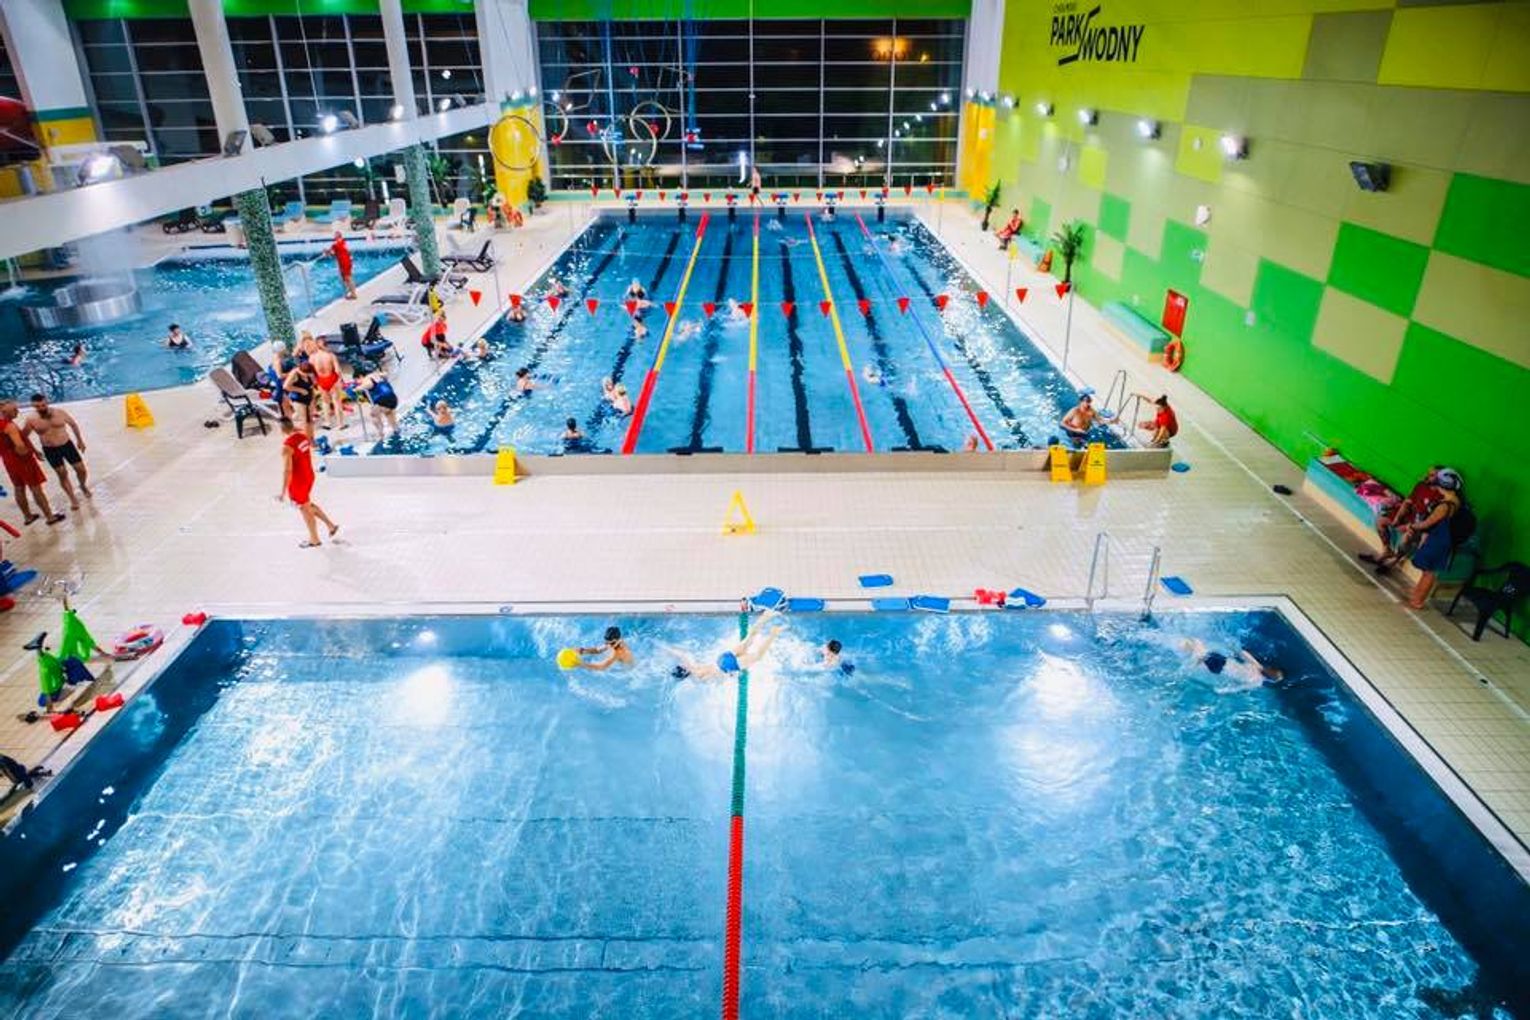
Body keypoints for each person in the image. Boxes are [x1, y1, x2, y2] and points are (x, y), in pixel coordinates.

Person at [1360, 466, 1444, 575]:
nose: (1427, 476)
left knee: (1407, 536)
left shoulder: (1441, 497)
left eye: (1432, 475)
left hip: (1419, 525)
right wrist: (1397, 518)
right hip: (1409, 517)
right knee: (1380, 520)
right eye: (1428, 473)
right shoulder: (1421, 486)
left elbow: (1428, 522)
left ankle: (1394, 560)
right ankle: (1386, 551)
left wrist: (1411, 526)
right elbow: (1407, 503)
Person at [1404, 468, 1463, 610]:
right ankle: (1416, 596)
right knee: (1428, 571)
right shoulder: (1455, 500)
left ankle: (1418, 601)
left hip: (1438, 540)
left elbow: (1427, 523)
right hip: (1443, 539)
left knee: (1429, 572)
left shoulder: (1444, 506)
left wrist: (1412, 526)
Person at [669, 610, 785, 681]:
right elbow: (682, 654)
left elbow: (718, 676)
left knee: (758, 656)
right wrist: (669, 650)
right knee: (749, 638)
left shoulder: (698, 676)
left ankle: (774, 633)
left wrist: (731, 676)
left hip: (727, 666)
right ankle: (766, 615)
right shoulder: (692, 665)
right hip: (722, 658)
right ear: (683, 668)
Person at [278, 416, 339, 549]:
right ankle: (330, 525)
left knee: (304, 509)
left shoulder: (287, 446)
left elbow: (287, 470)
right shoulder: (303, 436)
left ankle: (314, 539)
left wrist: (282, 492)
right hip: (309, 475)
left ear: (281, 430)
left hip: (298, 481)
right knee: (307, 504)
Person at [0, 400, 63, 525]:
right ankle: (50, 517)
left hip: (8, 460)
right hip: (22, 461)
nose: (17, 412)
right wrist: (27, 454)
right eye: (14, 410)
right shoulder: (9, 426)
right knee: (35, 487)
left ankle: (27, 516)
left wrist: (34, 450)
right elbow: (19, 445)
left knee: (19, 487)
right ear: (4, 411)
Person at [24, 394, 90, 510]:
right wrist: (34, 451)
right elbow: (24, 436)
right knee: (62, 473)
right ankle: (72, 498)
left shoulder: (59, 412)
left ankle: (82, 485)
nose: (41, 408)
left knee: (81, 469)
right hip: (50, 449)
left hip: (66, 445)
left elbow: (73, 425)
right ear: (33, 406)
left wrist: (80, 440)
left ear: (47, 402)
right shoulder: (31, 419)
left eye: (43, 405)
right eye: (37, 406)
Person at [1182, 638, 1283, 685]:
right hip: (1220, 670)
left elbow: (1243, 653)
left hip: (1223, 662)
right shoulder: (1257, 681)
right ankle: (1188, 653)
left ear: (1270, 671)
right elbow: (1239, 687)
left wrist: (1234, 648)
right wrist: (1224, 690)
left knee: (1198, 646)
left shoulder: (1257, 668)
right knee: (1199, 654)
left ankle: (1183, 645)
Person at [309, 337, 344, 430]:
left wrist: (315, 383)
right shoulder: (330, 355)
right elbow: (337, 370)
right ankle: (340, 423)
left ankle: (328, 422)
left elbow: (311, 373)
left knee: (325, 402)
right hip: (332, 378)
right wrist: (340, 380)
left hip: (321, 380)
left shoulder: (312, 357)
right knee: (337, 402)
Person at [350, 368, 398, 435]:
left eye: (356, 380)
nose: (357, 383)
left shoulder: (366, 379)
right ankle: (396, 429)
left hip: (383, 399)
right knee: (388, 413)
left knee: (373, 414)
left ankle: (381, 433)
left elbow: (369, 384)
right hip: (393, 398)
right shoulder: (376, 374)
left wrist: (357, 389)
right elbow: (385, 374)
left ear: (360, 376)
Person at [323, 230, 357, 299]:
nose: (334, 237)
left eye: (335, 236)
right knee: (346, 278)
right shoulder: (344, 242)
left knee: (347, 278)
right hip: (347, 261)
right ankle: (349, 292)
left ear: (337, 237)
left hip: (344, 262)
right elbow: (337, 252)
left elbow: (330, 252)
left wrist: (325, 251)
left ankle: (353, 294)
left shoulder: (336, 244)